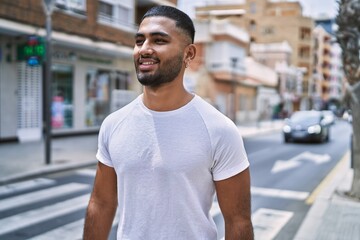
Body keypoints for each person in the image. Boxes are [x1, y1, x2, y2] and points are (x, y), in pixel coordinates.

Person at [83, 5, 253, 240]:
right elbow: (101, 203)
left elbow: (238, 222)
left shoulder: (220, 130)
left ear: (189, 54)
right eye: (139, 40)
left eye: (159, 41)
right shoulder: (114, 124)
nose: (145, 49)